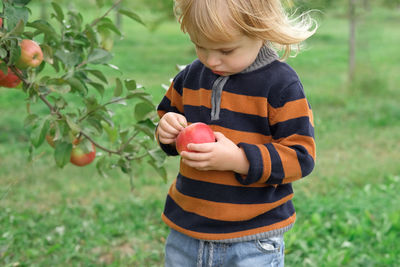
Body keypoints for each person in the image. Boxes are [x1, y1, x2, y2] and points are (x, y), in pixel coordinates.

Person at [155, 0, 317, 266]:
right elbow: (169, 121)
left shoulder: (281, 85)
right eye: (200, 46)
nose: (211, 59)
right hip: (186, 230)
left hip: (252, 239)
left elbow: (301, 158)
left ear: (260, 32)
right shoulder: (191, 76)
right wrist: (168, 129)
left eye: (225, 50)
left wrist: (239, 160)